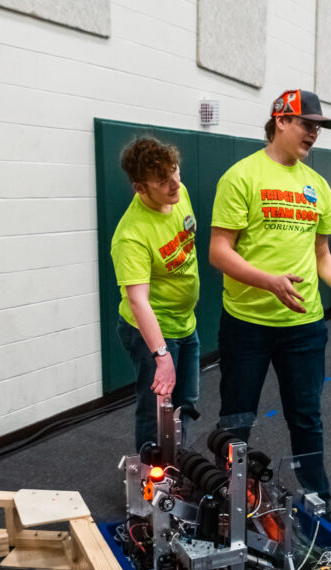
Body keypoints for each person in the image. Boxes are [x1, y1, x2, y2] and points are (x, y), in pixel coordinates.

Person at [208, 88, 331, 504]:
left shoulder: (317, 187)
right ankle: (229, 502)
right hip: (246, 324)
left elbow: (321, 254)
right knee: (236, 420)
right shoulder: (242, 176)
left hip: (303, 327)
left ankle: (316, 500)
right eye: (307, 124)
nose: (314, 134)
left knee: (307, 418)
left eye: (319, 127)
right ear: (281, 120)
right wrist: (267, 280)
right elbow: (219, 250)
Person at [111, 137, 200, 451]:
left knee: (185, 402)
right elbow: (138, 300)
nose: (175, 185)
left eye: (176, 173)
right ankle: (152, 485)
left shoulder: (180, 193)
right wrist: (161, 356)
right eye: (164, 182)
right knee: (157, 409)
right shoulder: (131, 235)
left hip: (185, 322)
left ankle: (179, 464)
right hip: (152, 331)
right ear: (140, 188)